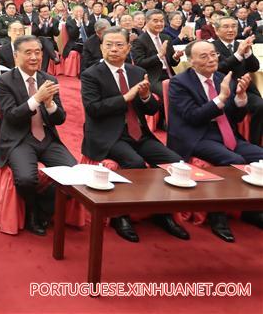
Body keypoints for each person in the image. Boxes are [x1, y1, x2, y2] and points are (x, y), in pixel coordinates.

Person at [80, 27, 188, 243]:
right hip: (109, 135)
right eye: (108, 44)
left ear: (128, 48)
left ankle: (162, 213)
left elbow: (150, 110)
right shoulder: (91, 75)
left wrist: (147, 96)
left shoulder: (137, 72)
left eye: (119, 45)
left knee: (173, 162)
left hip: (139, 133)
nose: (113, 49)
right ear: (101, 47)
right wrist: (126, 97)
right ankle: (121, 215)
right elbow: (94, 109)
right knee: (135, 163)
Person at [166, 40, 263, 241]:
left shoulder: (222, 77)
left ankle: (251, 209)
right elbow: (193, 117)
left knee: (259, 156)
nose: (211, 59)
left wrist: (240, 98)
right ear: (191, 61)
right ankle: (218, 215)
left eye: (213, 54)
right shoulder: (179, 83)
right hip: (196, 135)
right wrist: (220, 99)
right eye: (204, 56)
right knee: (233, 160)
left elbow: (234, 117)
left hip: (226, 133)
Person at [0, 35, 76, 235]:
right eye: (28, 53)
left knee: (75, 177)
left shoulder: (49, 79)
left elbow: (60, 119)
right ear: (16, 56)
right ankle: (31, 211)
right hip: (19, 138)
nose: (34, 57)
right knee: (25, 179)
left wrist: (49, 105)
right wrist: (36, 99)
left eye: (37, 52)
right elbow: (12, 116)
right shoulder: (4, 81)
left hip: (46, 137)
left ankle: (42, 208)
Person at [212, 17, 262, 145]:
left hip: (244, 88)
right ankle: (229, 142)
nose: (231, 30)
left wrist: (247, 53)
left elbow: (254, 67)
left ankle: (254, 143)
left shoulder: (241, 44)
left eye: (233, 26)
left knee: (260, 106)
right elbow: (220, 67)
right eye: (226, 27)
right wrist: (238, 54)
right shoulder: (212, 46)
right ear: (217, 31)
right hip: (221, 90)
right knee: (228, 108)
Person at [131, 9, 182, 102]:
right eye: (155, 21)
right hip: (154, 77)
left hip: (170, 74)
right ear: (147, 22)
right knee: (171, 95)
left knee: (187, 90)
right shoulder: (140, 41)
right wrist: (159, 55)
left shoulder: (166, 37)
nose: (159, 23)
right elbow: (139, 63)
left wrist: (176, 57)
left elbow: (172, 63)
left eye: (161, 21)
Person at [31, 5, 60, 71]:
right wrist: (40, 25)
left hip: (50, 43)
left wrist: (51, 25)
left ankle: (43, 71)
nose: (45, 13)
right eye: (43, 12)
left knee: (46, 49)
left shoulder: (54, 21)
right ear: (40, 13)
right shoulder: (36, 20)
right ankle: (54, 57)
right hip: (38, 42)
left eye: (46, 11)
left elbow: (57, 33)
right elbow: (33, 33)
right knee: (43, 39)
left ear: (49, 11)